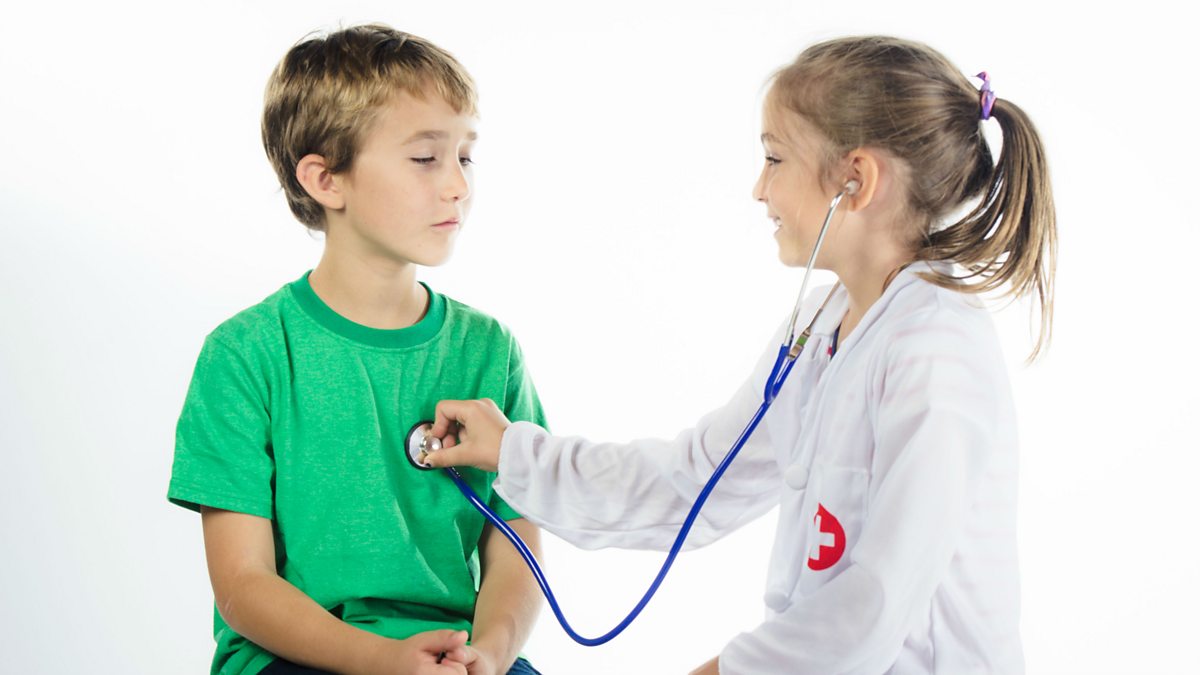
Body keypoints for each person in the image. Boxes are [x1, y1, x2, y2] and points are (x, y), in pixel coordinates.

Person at [424, 36, 1055, 674]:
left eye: (775, 158)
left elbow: (876, 604)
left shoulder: (937, 351)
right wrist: (513, 453)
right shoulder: (820, 325)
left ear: (856, 180)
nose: (759, 189)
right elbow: (696, 480)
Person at [168, 24, 546, 675]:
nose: (457, 186)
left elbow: (518, 541)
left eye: (465, 156)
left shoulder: (490, 351)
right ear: (325, 179)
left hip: (451, 653)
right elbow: (242, 584)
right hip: (294, 655)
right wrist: (382, 660)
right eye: (425, 158)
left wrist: (491, 651)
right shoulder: (246, 354)